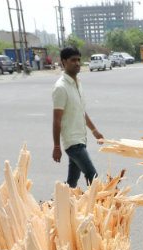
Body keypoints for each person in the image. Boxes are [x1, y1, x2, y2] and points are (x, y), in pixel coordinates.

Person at [52, 46, 104, 188]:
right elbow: (56, 119)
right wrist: (57, 146)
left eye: (79, 60)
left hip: (81, 138)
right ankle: (95, 206)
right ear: (64, 62)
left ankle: (63, 203)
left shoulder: (77, 83)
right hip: (72, 142)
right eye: (73, 60)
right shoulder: (60, 87)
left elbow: (81, 111)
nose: (77, 63)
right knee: (92, 176)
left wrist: (94, 131)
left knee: (72, 182)